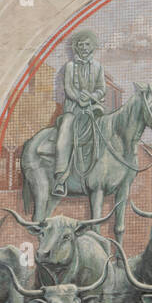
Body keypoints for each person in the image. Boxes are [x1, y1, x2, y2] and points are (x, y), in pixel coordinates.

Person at [52, 29, 106, 197]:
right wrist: (79, 99)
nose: (83, 48)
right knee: (63, 139)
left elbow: (101, 89)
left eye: (87, 44)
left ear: (92, 47)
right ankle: (60, 179)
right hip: (73, 110)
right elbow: (68, 88)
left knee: (107, 133)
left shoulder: (98, 67)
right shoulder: (69, 66)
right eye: (80, 45)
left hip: (93, 109)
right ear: (76, 47)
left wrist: (92, 97)